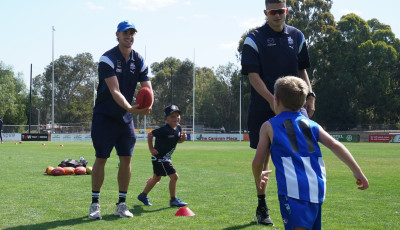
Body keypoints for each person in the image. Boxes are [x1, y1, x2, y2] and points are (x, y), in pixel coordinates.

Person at [253, 76, 369, 230]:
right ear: (303, 103)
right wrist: (357, 172)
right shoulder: (312, 125)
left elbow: (258, 162)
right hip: (317, 188)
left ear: (276, 99)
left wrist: (258, 176)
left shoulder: (269, 126)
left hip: (293, 190)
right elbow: (335, 145)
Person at [241, 0, 316, 225]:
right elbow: (253, 76)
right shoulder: (254, 39)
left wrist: (310, 95)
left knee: (300, 156)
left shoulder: (297, 36)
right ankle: (262, 205)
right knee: (262, 160)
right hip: (264, 108)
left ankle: (300, 204)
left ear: (286, 11)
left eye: (280, 11)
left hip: (294, 108)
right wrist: (273, 101)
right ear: (266, 12)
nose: (277, 15)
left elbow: (302, 69)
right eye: (272, 12)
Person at [89, 20, 153, 220]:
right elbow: (114, 89)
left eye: (132, 33)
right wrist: (130, 108)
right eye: (126, 33)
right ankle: (95, 204)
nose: (129, 36)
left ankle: (121, 204)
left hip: (125, 119)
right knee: (102, 158)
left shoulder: (139, 60)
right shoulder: (107, 59)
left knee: (126, 159)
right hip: (105, 116)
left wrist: (149, 104)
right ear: (117, 34)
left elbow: (147, 88)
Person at [137, 105, 188, 207]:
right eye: (172, 116)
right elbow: (150, 134)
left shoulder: (178, 128)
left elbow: (177, 141)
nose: (176, 118)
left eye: (177, 115)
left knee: (156, 178)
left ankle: (143, 195)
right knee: (174, 177)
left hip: (165, 158)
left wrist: (183, 139)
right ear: (166, 119)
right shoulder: (164, 130)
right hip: (160, 158)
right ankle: (173, 200)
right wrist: (151, 149)